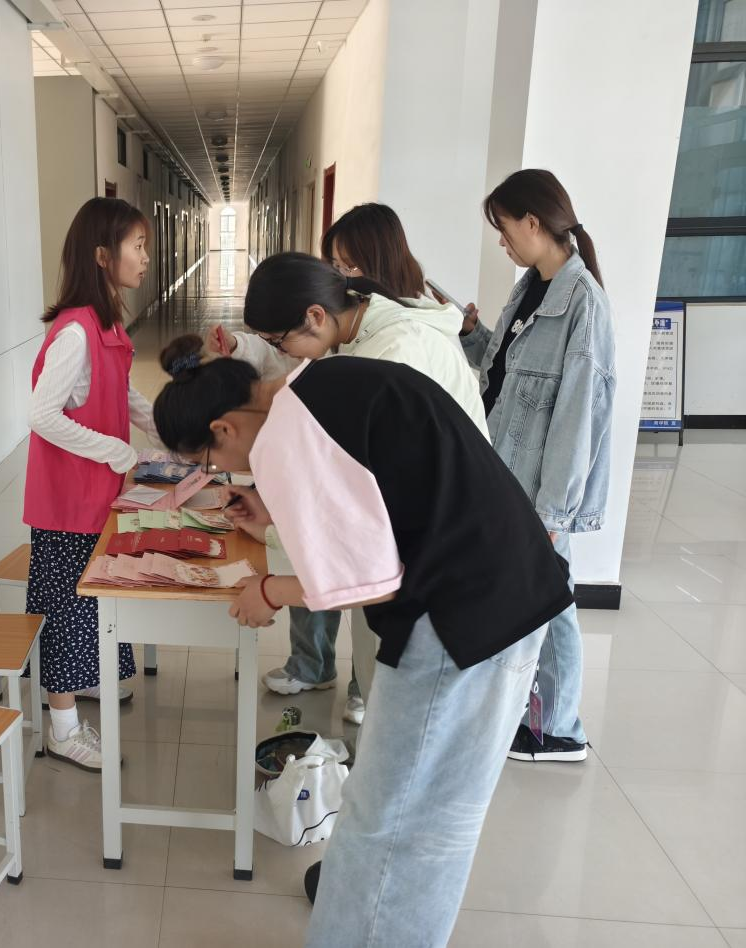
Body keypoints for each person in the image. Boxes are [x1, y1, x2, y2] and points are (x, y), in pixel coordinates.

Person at [152, 336, 573, 946]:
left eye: (212, 463)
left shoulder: (286, 434)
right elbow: (373, 501)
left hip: (463, 621)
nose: (223, 473)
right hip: (497, 590)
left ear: (223, 428)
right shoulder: (319, 385)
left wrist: (269, 590)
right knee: (399, 812)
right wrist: (273, 509)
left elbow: (369, 580)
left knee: (403, 822)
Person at [211, 239, 487, 728]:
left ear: (315, 316)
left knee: (403, 726)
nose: (282, 354)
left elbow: (362, 547)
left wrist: (271, 587)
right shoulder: (360, 339)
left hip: (440, 570)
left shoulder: (396, 352)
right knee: (382, 708)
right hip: (413, 556)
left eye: (280, 342)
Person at [459, 169, 615, 763]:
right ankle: (539, 714)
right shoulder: (533, 287)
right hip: (507, 470)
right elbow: (507, 374)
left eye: (504, 228)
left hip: (538, 489)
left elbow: (578, 417)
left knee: (552, 601)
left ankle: (559, 729)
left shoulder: (583, 304)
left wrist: (553, 513)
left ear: (533, 221)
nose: (501, 241)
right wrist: (474, 335)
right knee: (540, 597)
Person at [23, 196, 158, 771]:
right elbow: (42, 414)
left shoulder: (107, 322)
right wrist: (117, 451)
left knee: (96, 597)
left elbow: (124, 393)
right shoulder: (76, 332)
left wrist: (168, 433)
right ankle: (62, 728)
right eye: (137, 246)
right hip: (67, 503)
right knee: (67, 609)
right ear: (103, 255)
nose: (145, 257)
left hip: (96, 496)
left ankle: (93, 678)